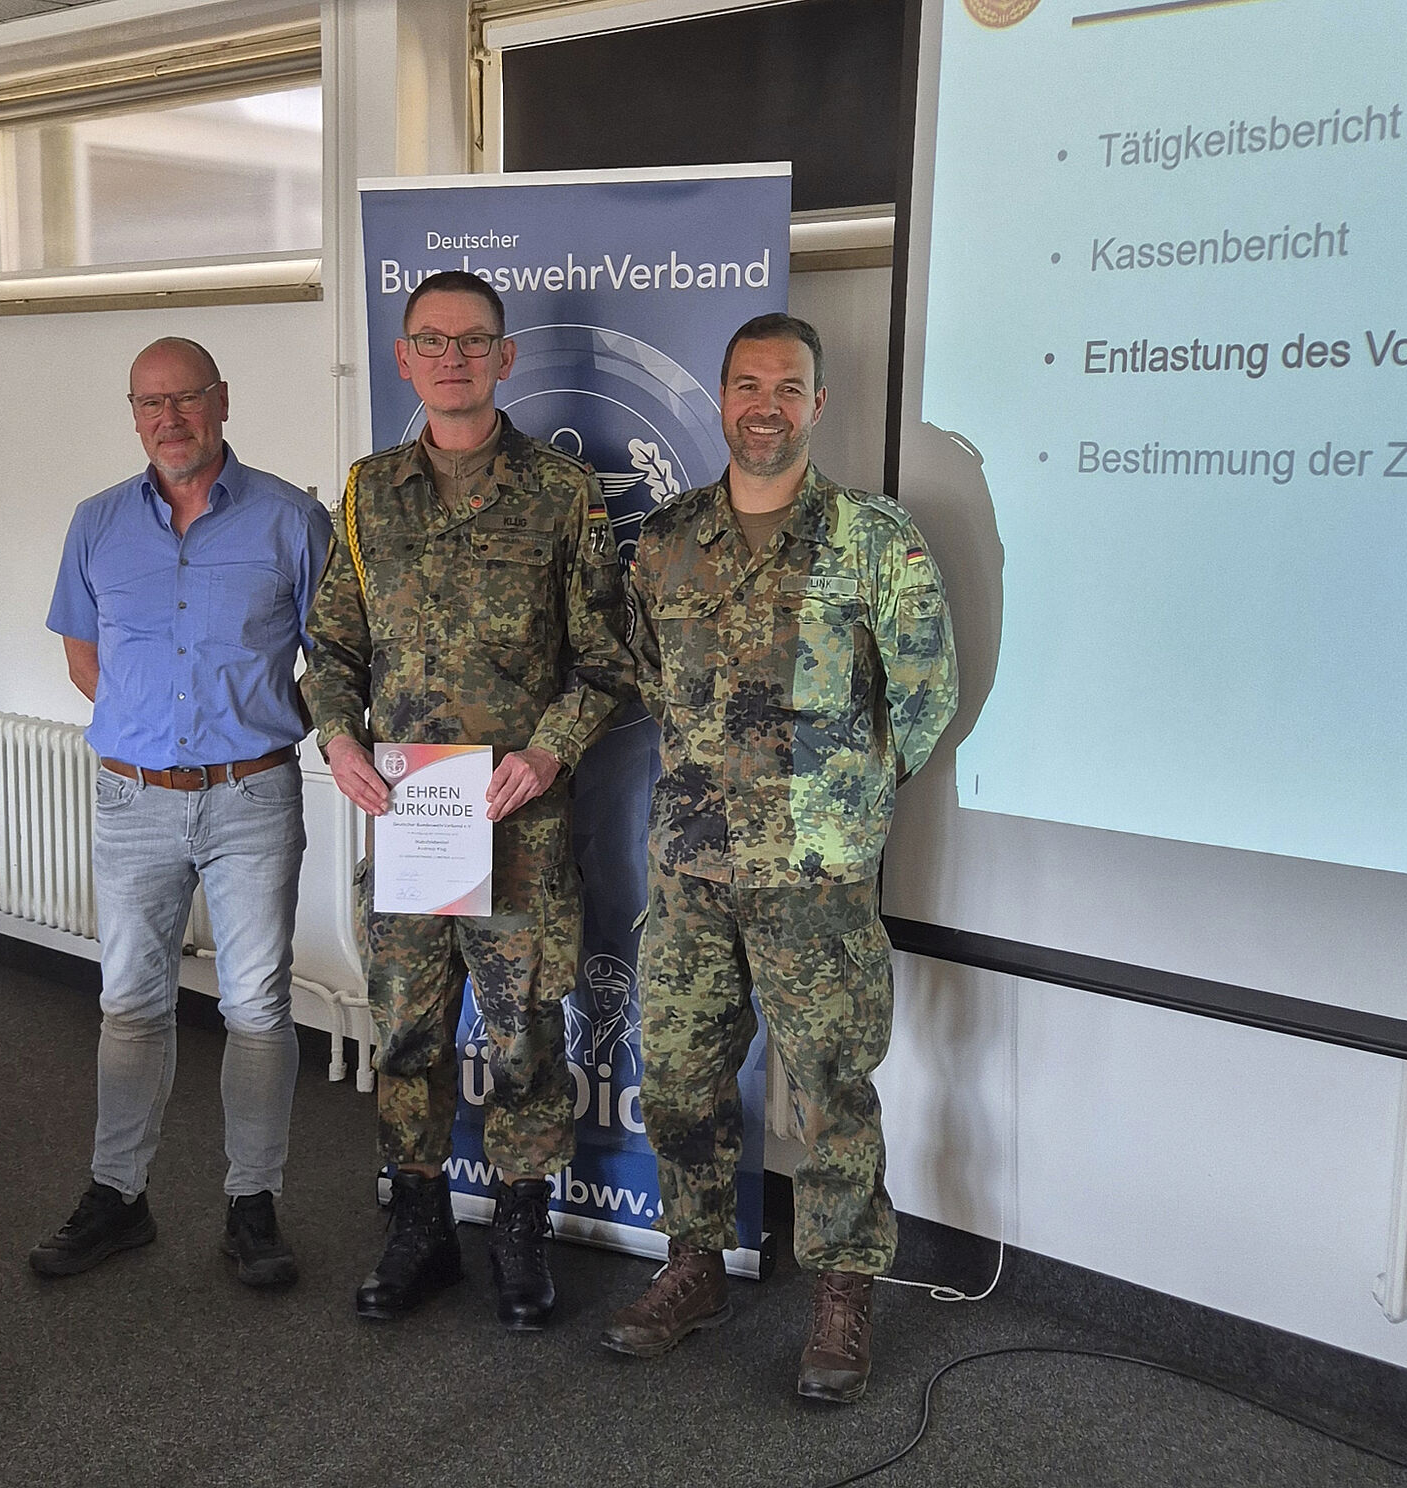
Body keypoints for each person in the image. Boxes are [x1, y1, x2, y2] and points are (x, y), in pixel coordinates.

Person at [600, 314, 958, 1400]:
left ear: (818, 404)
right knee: (680, 1077)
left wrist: (845, 800)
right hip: (691, 870)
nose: (767, 406)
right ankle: (695, 1265)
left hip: (816, 878)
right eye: (748, 385)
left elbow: (926, 693)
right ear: (722, 400)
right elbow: (647, 674)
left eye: (788, 387)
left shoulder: (873, 539)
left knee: (833, 1088)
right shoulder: (665, 540)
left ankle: (843, 1293)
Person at [302, 271, 634, 1329]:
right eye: (432, 341)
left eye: (474, 340)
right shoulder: (368, 494)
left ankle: (523, 1234)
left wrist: (548, 754)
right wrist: (337, 735)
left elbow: (606, 661)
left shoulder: (561, 495)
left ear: (505, 356)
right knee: (407, 1030)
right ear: (404, 359)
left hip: (515, 822)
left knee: (524, 1032)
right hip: (409, 826)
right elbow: (332, 647)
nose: (453, 358)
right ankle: (420, 1228)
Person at [33, 337, 331, 1288]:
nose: (169, 419)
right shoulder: (96, 523)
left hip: (253, 796)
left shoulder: (291, 520)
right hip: (133, 798)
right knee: (129, 1005)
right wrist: (157, 740)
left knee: (257, 1008)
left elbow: (336, 656)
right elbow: (86, 659)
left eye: (186, 398)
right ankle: (118, 1197)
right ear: (133, 416)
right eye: (149, 404)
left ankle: (253, 1205)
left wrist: (246, 732)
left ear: (222, 401)